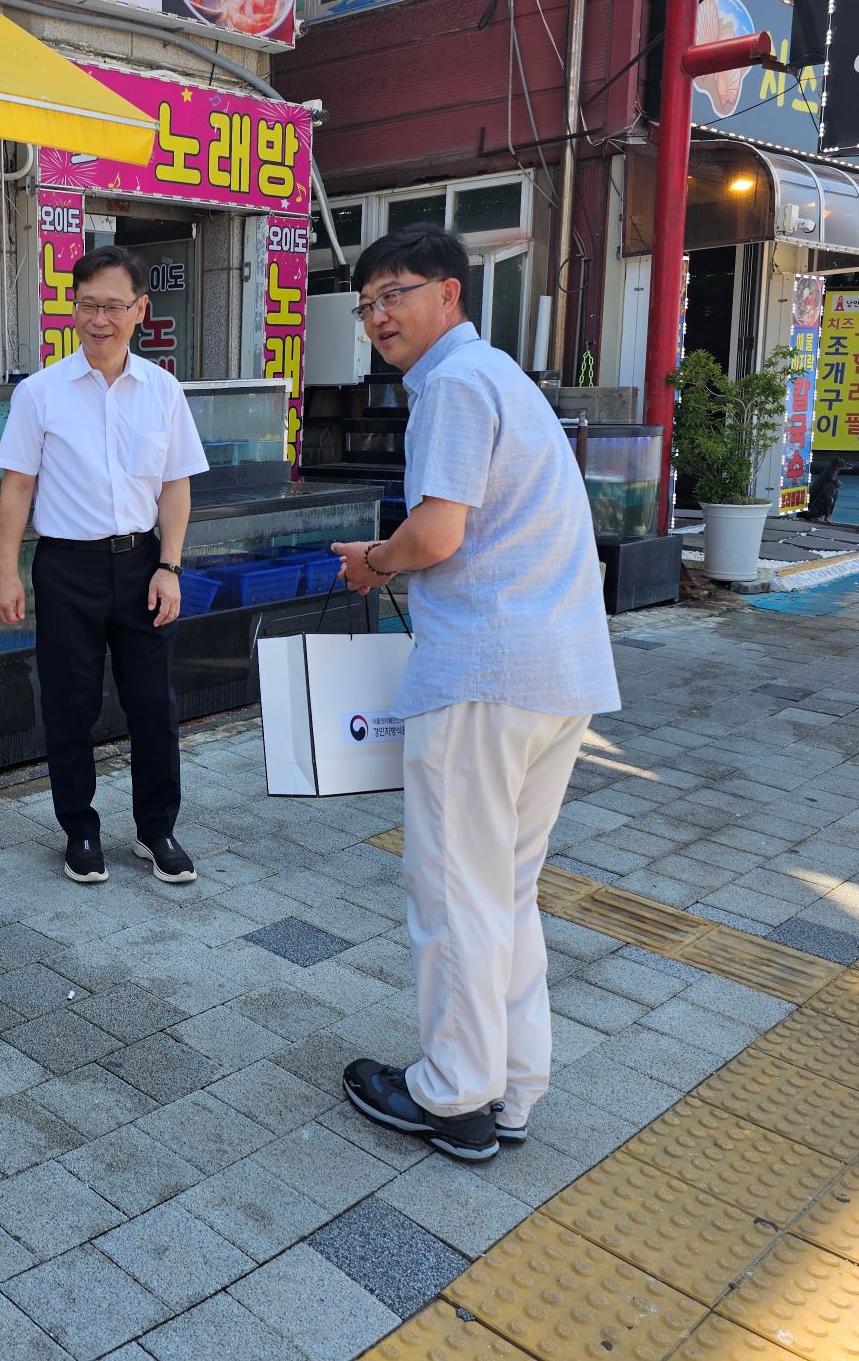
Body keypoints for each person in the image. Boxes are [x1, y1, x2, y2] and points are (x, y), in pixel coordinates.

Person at [332, 225, 619, 1162]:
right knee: (505, 891)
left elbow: (438, 534)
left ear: (450, 294)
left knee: (454, 889)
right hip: (555, 671)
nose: (378, 315)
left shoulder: (451, 384)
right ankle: (509, 1089)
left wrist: (374, 562)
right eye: (366, 301)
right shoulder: (501, 378)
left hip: (485, 674)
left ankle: (453, 1095)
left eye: (396, 293)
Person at [0, 246, 211, 885]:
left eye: (113, 306)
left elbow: (175, 487)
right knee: (69, 703)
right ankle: (78, 831)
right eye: (87, 305)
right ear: (73, 309)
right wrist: (7, 570)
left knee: (152, 703)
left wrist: (170, 565)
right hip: (67, 568)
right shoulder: (40, 393)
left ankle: (156, 829)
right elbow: (17, 487)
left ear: (140, 310)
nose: (99, 319)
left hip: (143, 562)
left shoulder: (164, 391)